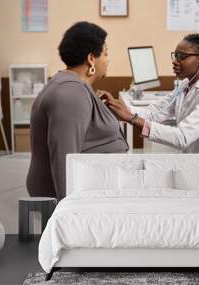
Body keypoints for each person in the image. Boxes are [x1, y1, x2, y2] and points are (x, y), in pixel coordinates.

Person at [102, 34, 199, 189]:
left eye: (182, 56)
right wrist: (119, 106)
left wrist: (131, 118)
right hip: (191, 166)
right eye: (175, 55)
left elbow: (182, 137)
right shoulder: (185, 85)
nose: (175, 61)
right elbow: (154, 112)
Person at [26, 21, 128, 200]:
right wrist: (71, 213)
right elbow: (64, 160)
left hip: (98, 185)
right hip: (80, 197)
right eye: (105, 54)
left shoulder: (75, 86)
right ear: (91, 59)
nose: (108, 60)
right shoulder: (71, 94)